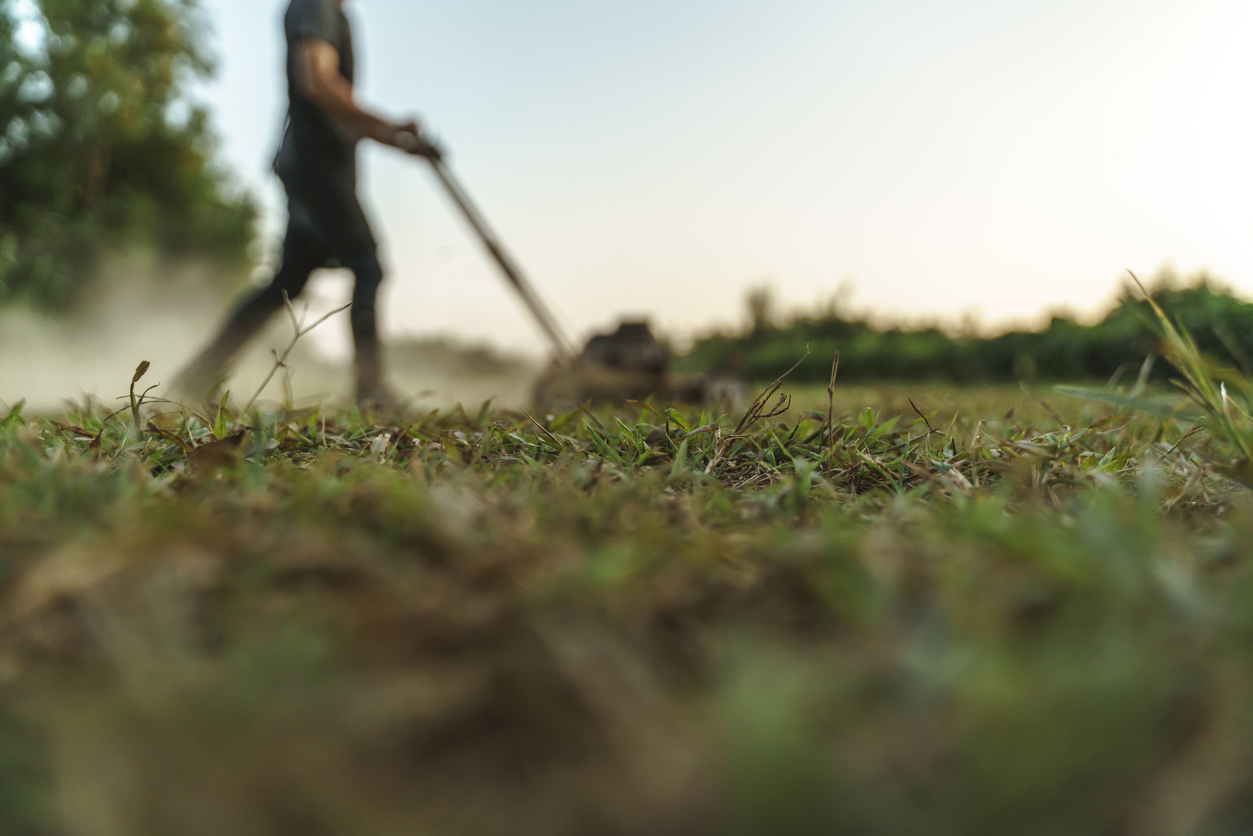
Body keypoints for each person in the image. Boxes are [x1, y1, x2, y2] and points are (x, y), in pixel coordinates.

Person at [176, 0, 436, 408]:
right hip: (315, 167)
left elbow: (336, 104)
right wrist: (389, 125)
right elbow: (317, 80)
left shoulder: (330, 12)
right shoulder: (316, 5)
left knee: (287, 282)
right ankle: (371, 392)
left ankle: (198, 375)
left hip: (312, 164)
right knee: (367, 266)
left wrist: (396, 139)